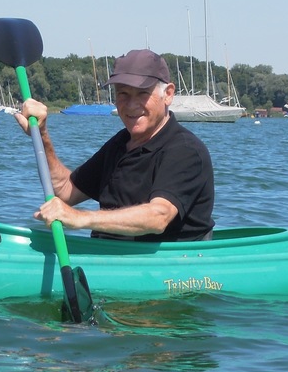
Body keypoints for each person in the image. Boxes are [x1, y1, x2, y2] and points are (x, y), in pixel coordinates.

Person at [14, 48, 215, 242]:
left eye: (142, 93)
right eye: (123, 94)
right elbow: (66, 191)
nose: (131, 105)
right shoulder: (120, 143)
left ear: (168, 94)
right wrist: (42, 135)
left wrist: (80, 218)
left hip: (169, 268)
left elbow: (158, 217)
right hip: (110, 255)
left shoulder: (185, 150)